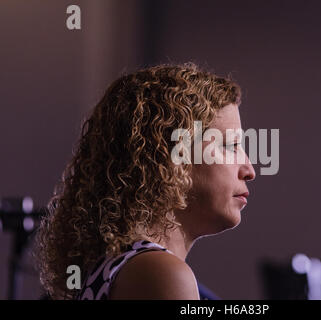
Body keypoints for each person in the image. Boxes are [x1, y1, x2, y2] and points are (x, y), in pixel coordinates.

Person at [34, 63, 256, 300]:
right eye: (230, 146)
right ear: (173, 156)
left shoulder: (119, 266)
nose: (249, 170)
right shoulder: (159, 273)